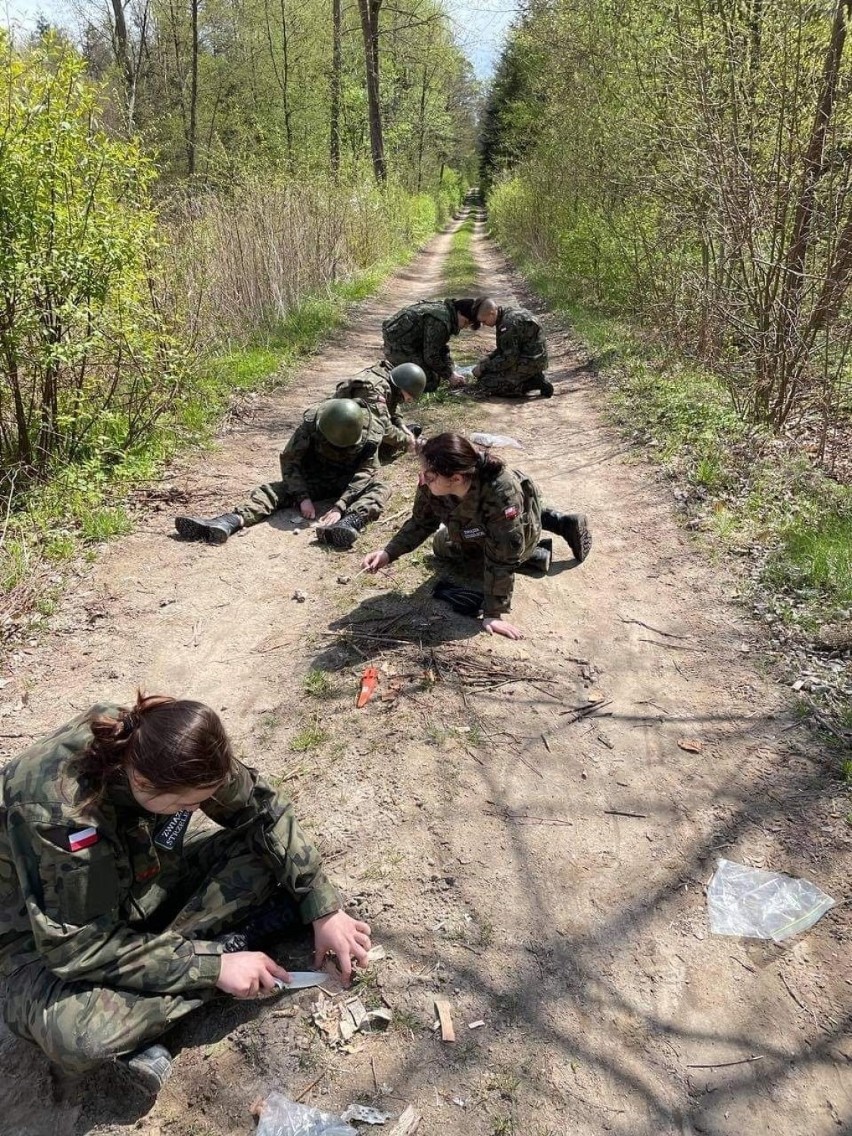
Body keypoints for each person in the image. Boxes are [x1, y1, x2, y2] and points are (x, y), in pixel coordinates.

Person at [0, 694, 370, 1093]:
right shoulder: (61, 817)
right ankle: (221, 954)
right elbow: (79, 948)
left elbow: (261, 809)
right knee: (78, 1036)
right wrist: (214, 968)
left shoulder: (167, 744)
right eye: (187, 804)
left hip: (139, 889)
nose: (197, 811)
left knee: (264, 857)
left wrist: (322, 906)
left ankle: (183, 973)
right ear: (143, 783)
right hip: (40, 948)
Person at [361, 433, 591, 640]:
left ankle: (538, 550)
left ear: (457, 478)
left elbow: (504, 555)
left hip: (514, 533)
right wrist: (388, 552)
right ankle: (557, 522)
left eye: (430, 476)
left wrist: (493, 613)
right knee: (443, 544)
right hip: (501, 521)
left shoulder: (501, 494)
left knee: (465, 554)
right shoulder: (435, 483)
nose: (423, 479)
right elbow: (421, 522)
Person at [174, 398, 389, 550]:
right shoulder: (311, 426)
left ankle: (348, 524)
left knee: (380, 488)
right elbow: (290, 461)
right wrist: (303, 497)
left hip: (347, 482)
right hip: (315, 478)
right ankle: (228, 521)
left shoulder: (371, 436)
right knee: (273, 491)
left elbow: (366, 472)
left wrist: (340, 507)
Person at [382, 297, 499, 392]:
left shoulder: (447, 312)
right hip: (399, 346)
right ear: (458, 312)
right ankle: (390, 374)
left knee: (436, 373)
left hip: (412, 343)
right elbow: (431, 356)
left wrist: (451, 371)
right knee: (428, 382)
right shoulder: (441, 321)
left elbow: (441, 348)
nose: (465, 326)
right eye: (466, 322)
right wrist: (449, 376)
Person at [334, 361, 427, 460]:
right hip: (337, 431)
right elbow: (384, 428)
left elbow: (392, 406)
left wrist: (402, 427)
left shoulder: (390, 380)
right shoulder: (374, 391)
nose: (408, 401)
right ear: (402, 388)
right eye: (409, 398)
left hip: (350, 422)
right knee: (372, 449)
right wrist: (406, 440)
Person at [469, 305, 553, 398]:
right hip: (534, 359)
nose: (484, 324)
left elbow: (509, 358)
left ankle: (532, 383)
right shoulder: (508, 313)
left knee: (487, 383)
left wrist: (483, 368)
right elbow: (505, 349)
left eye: (484, 321)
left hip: (529, 362)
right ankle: (532, 376)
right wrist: (489, 358)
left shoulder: (507, 323)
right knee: (488, 373)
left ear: (492, 313)